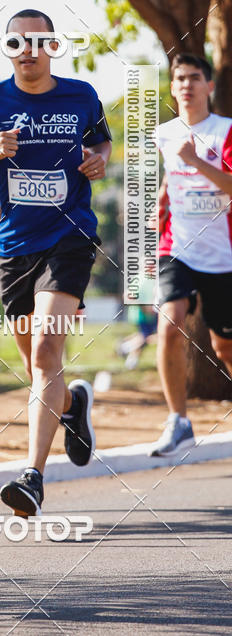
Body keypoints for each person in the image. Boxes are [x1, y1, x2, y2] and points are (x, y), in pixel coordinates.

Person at [0, 9, 111, 516]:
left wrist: (101, 160)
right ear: (5, 48)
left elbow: (100, 141)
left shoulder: (81, 95)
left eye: (38, 40)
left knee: (48, 350)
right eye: (16, 41)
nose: (27, 49)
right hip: (11, 245)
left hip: (69, 237)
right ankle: (72, 406)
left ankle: (32, 476)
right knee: (36, 369)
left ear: (53, 45)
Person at [151, 53, 232, 456]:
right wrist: (163, 200)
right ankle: (178, 421)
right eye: (179, 78)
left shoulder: (225, 131)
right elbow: (171, 171)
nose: (186, 84)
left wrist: (195, 160)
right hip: (177, 247)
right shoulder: (164, 133)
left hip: (223, 255)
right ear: (172, 87)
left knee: (225, 348)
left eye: (195, 78)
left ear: (209, 86)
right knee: (170, 323)